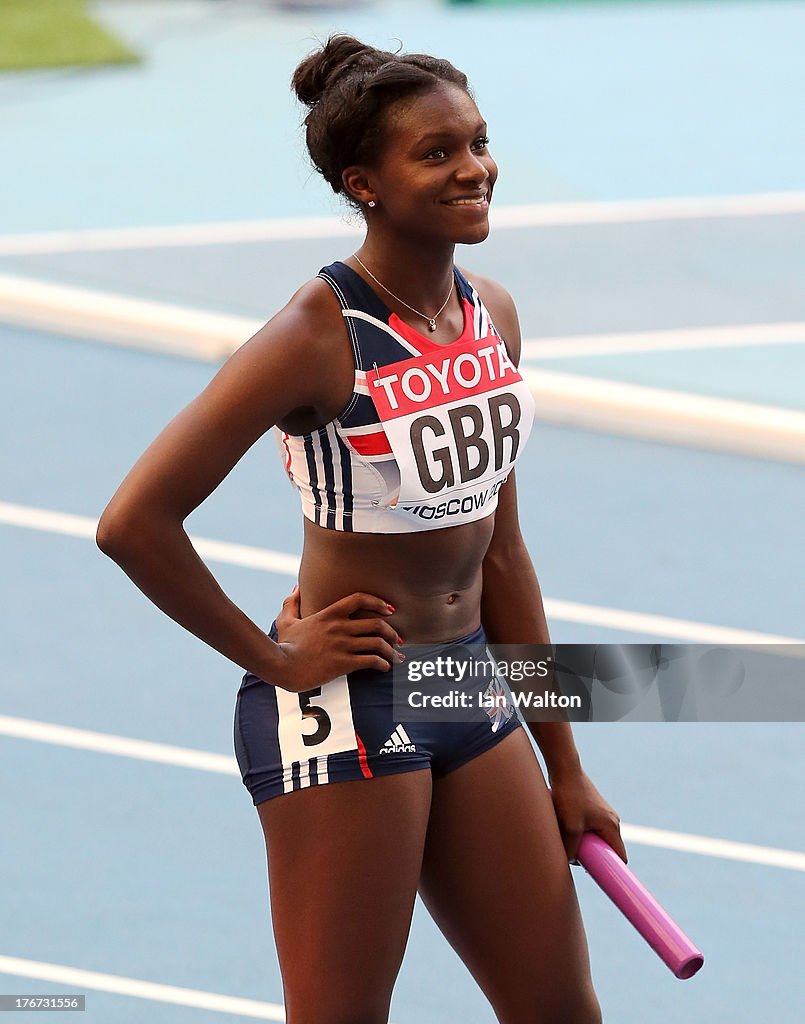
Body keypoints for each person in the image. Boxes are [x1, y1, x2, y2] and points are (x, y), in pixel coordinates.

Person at [97, 34, 626, 1024]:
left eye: (476, 142)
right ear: (363, 183)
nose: (472, 168)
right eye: (436, 153)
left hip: (467, 683)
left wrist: (566, 762)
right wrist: (271, 655)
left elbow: (502, 554)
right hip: (346, 701)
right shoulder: (315, 334)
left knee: (561, 1010)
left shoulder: (491, 315)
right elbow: (134, 521)